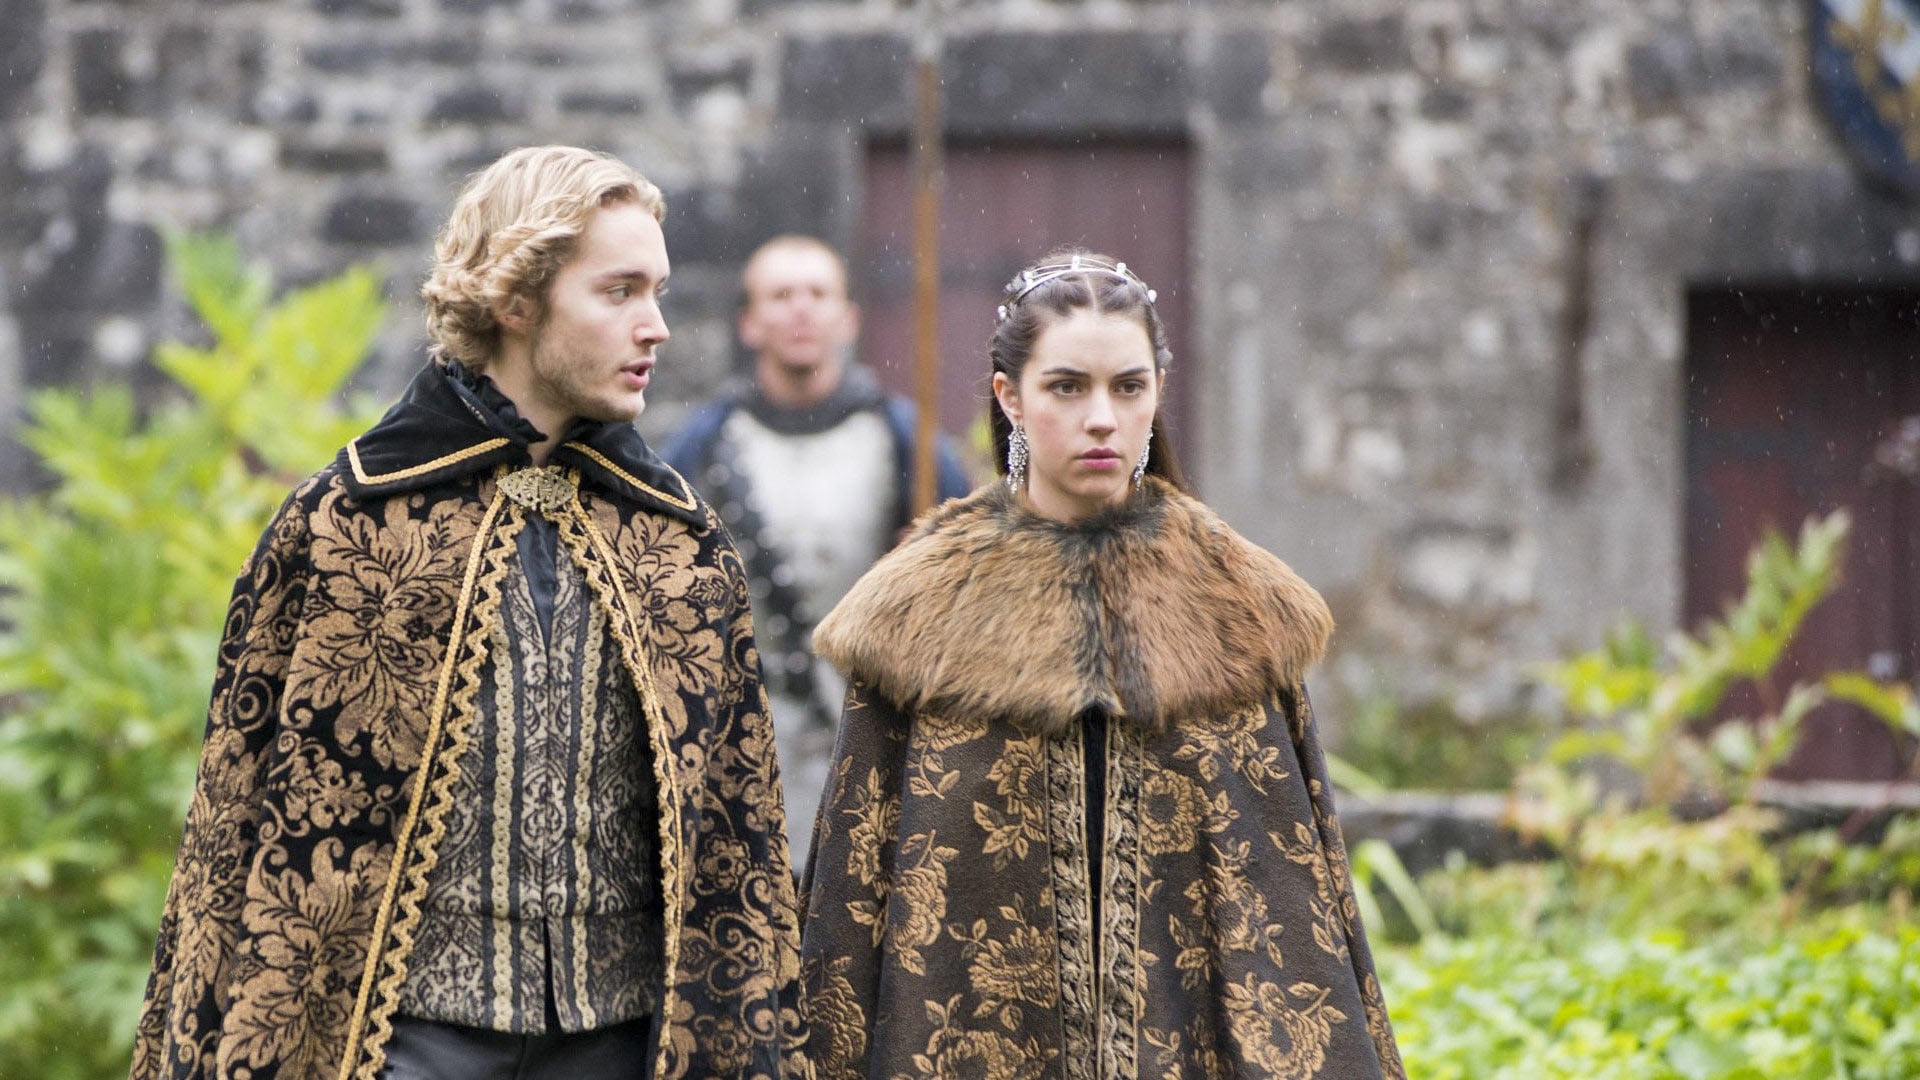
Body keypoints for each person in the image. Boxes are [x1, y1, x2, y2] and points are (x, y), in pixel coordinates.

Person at [129, 146, 806, 1080]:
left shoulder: (677, 546)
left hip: (620, 1043)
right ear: (516, 300)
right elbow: (238, 830)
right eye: (618, 292)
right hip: (402, 1041)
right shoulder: (349, 526)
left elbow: (739, 847)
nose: (655, 326)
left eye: (657, 291)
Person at [798, 251, 1406, 1078]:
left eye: (1127, 387)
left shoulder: (1235, 606)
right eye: (1066, 387)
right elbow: (854, 910)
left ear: (1158, 391)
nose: (1101, 419)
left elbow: (1290, 910)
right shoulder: (919, 616)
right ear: (1010, 396)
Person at [660, 235, 969, 866]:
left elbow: (962, 587)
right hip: (738, 749)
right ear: (749, 323)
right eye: (781, 295)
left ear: (847, 318)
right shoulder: (701, 445)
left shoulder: (905, 440)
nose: (801, 308)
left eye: (818, 293)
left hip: (871, 739)